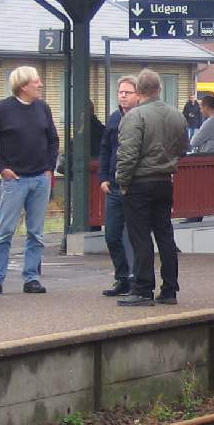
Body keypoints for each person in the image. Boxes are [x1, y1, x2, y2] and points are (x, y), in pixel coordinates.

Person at [115, 69, 188, 306]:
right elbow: (182, 148)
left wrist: (123, 181)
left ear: (139, 91)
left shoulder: (134, 117)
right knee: (165, 234)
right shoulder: (176, 115)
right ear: (159, 89)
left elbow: (127, 154)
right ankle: (169, 289)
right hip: (165, 181)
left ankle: (143, 289)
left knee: (141, 237)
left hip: (139, 183)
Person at [0, 66, 58, 295]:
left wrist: (49, 168)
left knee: (36, 232)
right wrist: (2, 168)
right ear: (24, 85)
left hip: (40, 179)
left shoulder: (43, 108)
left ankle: (32, 277)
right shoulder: (3, 109)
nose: (41, 85)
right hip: (14, 180)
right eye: (37, 81)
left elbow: (53, 140)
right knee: (5, 231)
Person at [98, 75, 139, 296]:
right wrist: (103, 177)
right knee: (112, 234)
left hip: (134, 185)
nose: (122, 96)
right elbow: (105, 149)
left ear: (138, 95)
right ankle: (121, 276)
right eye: (120, 92)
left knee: (133, 234)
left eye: (127, 92)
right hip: (113, 186)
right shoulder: (114, 119)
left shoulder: (142, 117)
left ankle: (135, 278)